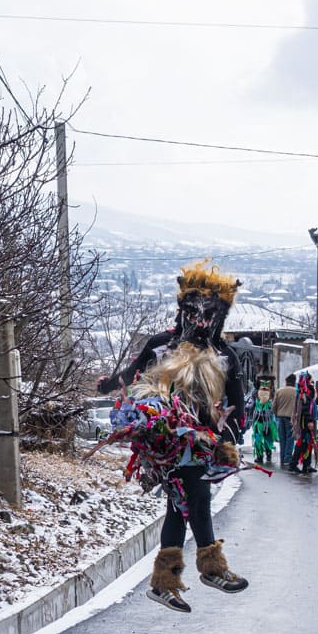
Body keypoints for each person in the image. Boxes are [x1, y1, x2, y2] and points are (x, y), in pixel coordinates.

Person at [97, 261, 248, 614]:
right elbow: (132, 375)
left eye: (210, 312)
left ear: (220, 316)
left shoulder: (224, 356)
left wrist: (227, 435)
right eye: (194, 309)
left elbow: (238, 406)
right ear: (183, 309)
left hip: (202, 444)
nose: (202, 319)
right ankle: (211, 569)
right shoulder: (161, 345)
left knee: (181, 505)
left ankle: (164, 583)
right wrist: (109, 386)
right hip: (165, 443)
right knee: (194, 494)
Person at [288, 371, 318, 474]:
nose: (312, 383)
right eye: (311, 381)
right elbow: (306, 408)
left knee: (308, 443)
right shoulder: (305, 392)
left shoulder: (305, 391)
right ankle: (293, 464)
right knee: (302, 443)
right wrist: (310, 421)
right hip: (305, 421)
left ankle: (306, 465)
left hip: (306, 420)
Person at [251, 379, 278, 463]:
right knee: (262, 438)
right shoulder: (263, 400)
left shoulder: (261, 399)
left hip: (265, 422)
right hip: (263, 422)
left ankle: (262, 456)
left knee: (265, 438)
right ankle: (264, 455)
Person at [273, 373, 296, 466]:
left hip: (280, 417)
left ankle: (282, 458)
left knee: (282, 438)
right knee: (290, 438)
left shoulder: (279, 391)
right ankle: (288, 458)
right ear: (294, 382)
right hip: (291, 417)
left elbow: (274, 405)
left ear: (286, 382)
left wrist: (276, 414)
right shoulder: (296, 391)